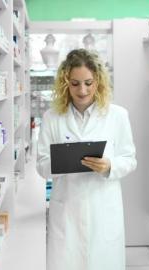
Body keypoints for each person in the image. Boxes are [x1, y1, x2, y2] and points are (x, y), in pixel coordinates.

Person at [36, 48, 137, 270]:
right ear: (65, 83)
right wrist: (62, 161)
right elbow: (42, 166)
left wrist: (110, 166)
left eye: (89, 83)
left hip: (103, 208)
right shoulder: (52, 117)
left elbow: (129, 159)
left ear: (98, 81)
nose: (82, 90)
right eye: (75, 83)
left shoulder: (117, 115)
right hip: (67, 210)